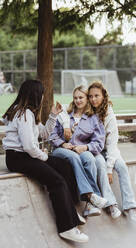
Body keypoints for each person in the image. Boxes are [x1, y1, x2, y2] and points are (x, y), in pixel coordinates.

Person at [2, 79, 89, 243]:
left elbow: (43, 134)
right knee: (56, 181)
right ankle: (67, 227)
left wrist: (53, 115)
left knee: (64, 165)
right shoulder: (24, 114)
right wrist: (44, 156)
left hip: (25, 155)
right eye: (42, 94)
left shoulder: (27, 112)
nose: (43, 97)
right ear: (36, 95)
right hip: (18, 158)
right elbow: (28, 146)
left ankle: (69, 208)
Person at [49, 85, 108, 217]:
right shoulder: (64, 114)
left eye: (81, 97)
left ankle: (90, 206)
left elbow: (99, 142)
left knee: (90, 158)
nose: (78, 100)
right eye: (75, 98)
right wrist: (62, 143)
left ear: (87, 99)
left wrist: (85, 147)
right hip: (60, 150)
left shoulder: (94, 118)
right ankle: (91, 195)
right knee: (74, 157)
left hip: (81, 150)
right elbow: (51, 135)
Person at [88, 81, 136, 222]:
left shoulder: (109, 114)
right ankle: (111, 204)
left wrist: (110, 168)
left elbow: (112, 144)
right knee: (100, 164)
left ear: (104, 96)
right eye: (91, 96)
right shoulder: (88, 112)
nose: (93, 99)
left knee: (122, 167)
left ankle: (130, 206)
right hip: (95, 150)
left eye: (97, 96)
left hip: (109, 149)